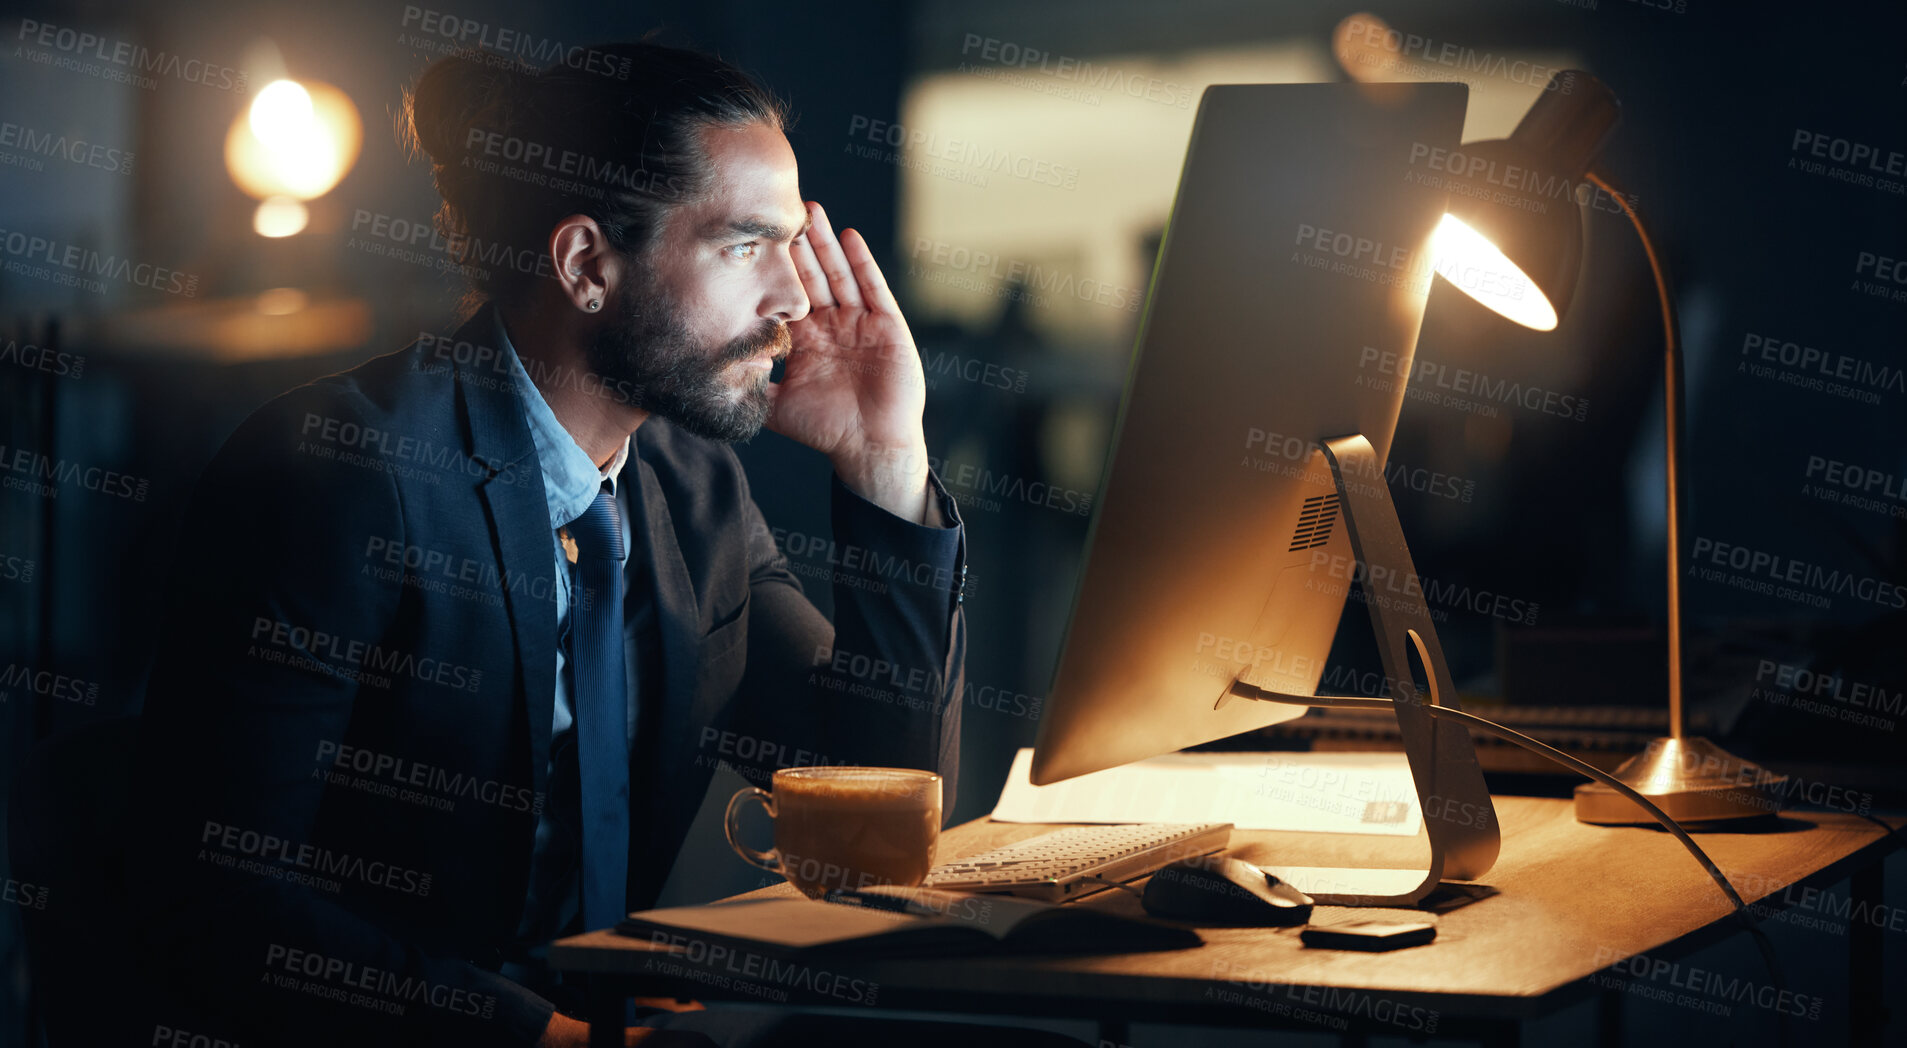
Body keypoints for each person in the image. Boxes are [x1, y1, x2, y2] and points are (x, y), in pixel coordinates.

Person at [128, 41, 1076, 1048]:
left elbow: (878, 831)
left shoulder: (691, 489)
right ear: (586, 265)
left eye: (790, 247)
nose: (794, 301)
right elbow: (218, 913)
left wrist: (881, 457)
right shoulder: (343, 474)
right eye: (746, 246)